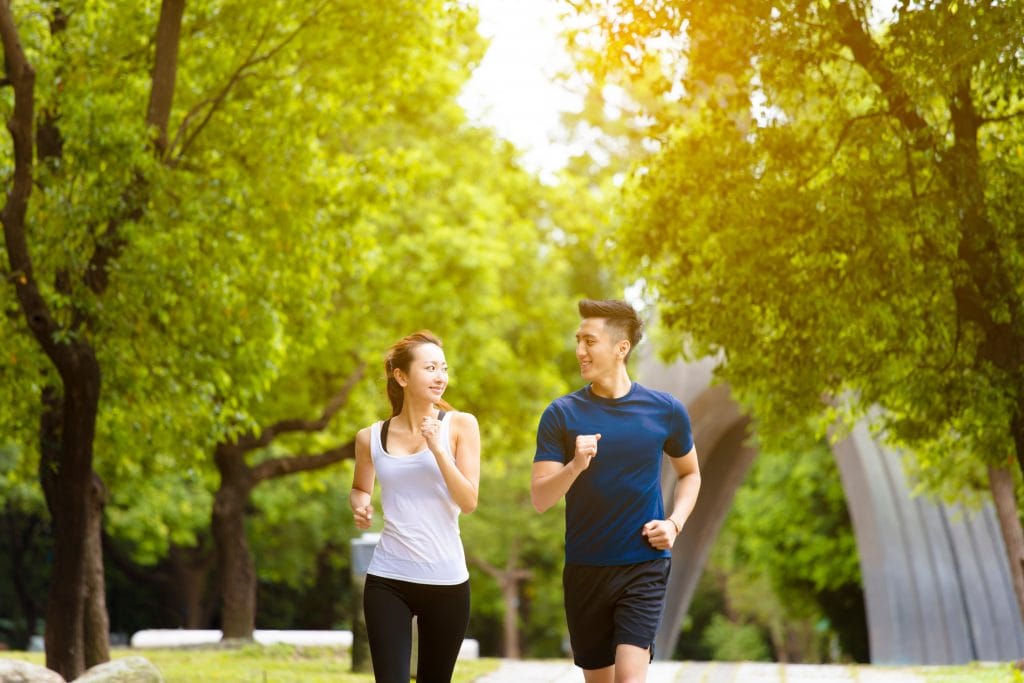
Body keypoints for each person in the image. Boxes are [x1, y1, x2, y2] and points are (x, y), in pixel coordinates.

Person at [531, 299, 701, 683]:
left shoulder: (665, 410)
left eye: (589, 341)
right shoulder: (561, 414)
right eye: (578, 340)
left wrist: (674, 524)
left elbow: (691, 474)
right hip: (585, 568)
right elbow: (540, 498)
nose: (579, 351)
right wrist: (575, 466)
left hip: (643, 563)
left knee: (629, 676)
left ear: (621, 348)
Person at [350, 330, 480, 683]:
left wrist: (437, 448)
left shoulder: (460, 426)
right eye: (430, 367)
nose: (441, 376)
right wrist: (361, 505)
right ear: (402, 376)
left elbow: (468, 501)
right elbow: (361, 488)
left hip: (447, 580)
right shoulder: (370, 437)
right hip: (388, 578)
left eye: (444, 368)